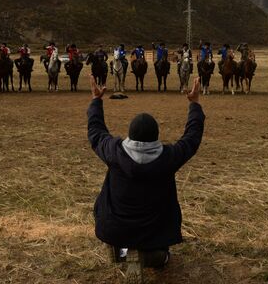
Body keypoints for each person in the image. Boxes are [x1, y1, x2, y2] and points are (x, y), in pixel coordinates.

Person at [87, 75, 204, 275]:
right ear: (156, 136)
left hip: (116, 228)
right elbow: (192, 138)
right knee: (161, 252)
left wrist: (96, 101)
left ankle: (121, 250)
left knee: (111, 216)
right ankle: (153, 256)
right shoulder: (169, 157)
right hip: (156, 231)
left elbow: (96, 132)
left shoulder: (114, 151)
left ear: (129, 135)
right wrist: (194, 104)